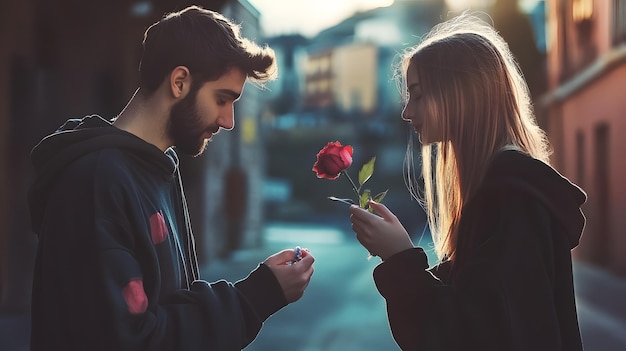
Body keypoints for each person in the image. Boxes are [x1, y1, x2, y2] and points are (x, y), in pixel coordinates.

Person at [27, 5, 314, 350]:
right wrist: (255, 297)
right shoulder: (96, 182)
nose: (229, 121)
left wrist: (258, 289)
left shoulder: (158, 167)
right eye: (222, 98)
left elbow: (170, 306)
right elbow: (129, 340)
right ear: (179, 82)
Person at [349, 13, 586, 351]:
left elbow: (472, 335)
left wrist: (399, 257)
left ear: (460, 95)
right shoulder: (502, 189)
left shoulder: (513, 199)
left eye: (418, 95)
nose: (406, 112)